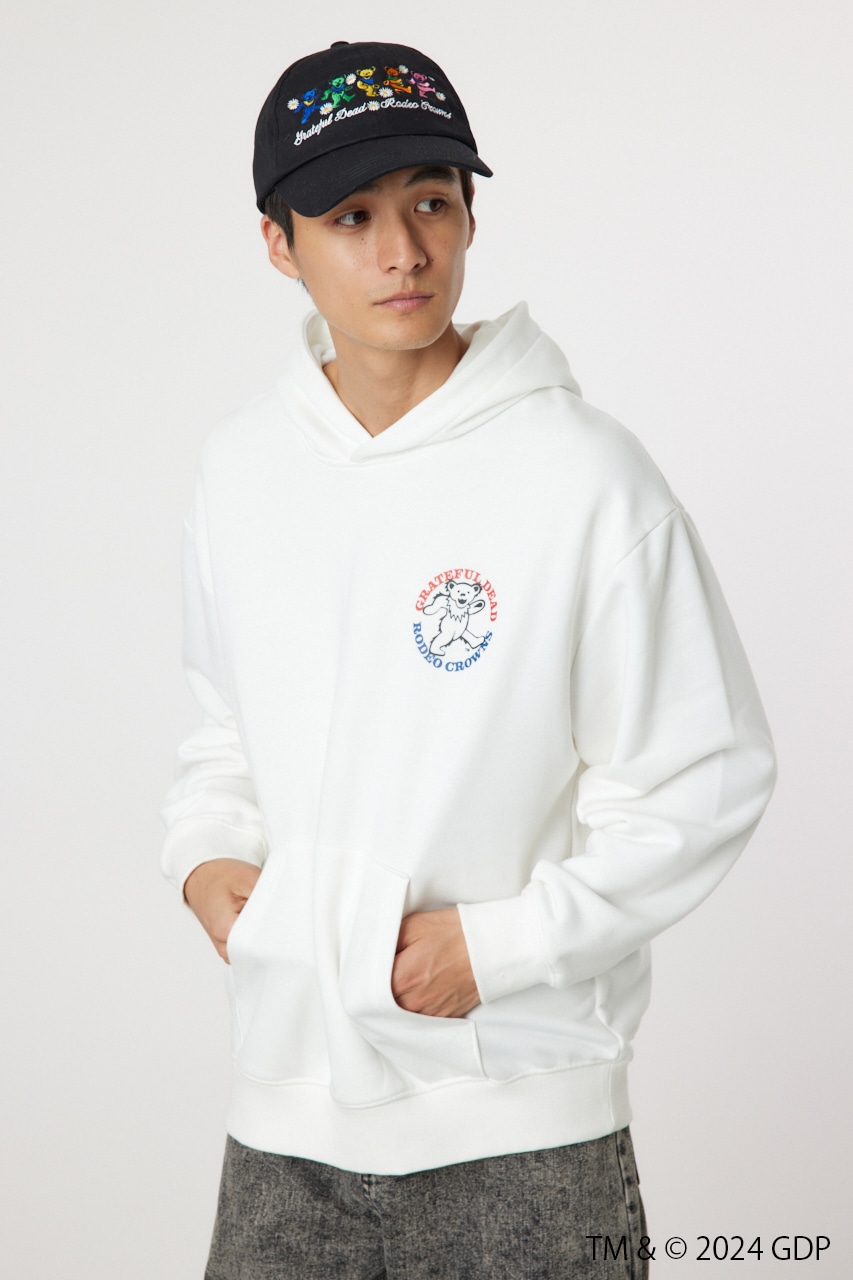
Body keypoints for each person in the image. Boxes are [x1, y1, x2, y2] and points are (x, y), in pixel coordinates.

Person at [161, 38, 777, 1280]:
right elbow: (225, 722)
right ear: (279, 243)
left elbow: (704, 775)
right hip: (282, 1118)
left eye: (432, 203)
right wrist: (208, 856)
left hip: (522, 1129)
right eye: (352, 216)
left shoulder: (584, 476)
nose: (404, 251)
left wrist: (498, 948)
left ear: (469, 215)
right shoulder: (240, 469)